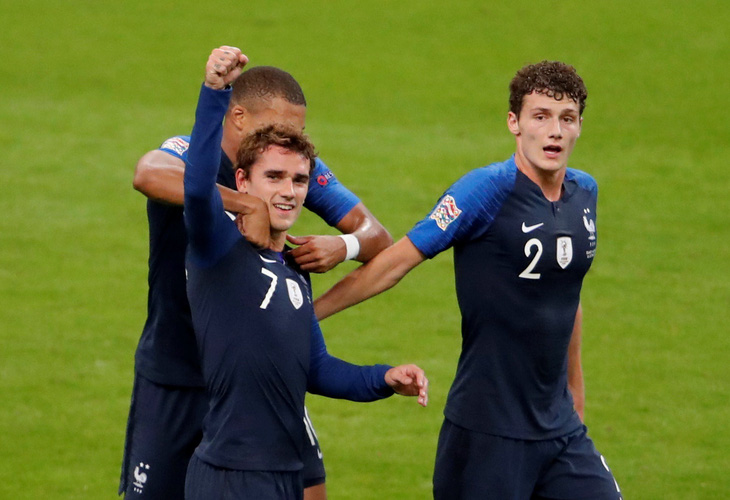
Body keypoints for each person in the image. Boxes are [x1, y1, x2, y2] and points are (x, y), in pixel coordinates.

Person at [314, 61, 622, 499]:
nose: (554, 131)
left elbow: (566, 295)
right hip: (486, 435)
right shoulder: (485, 190)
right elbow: (396, 261)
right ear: (514, 123)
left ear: (578, 127)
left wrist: (575, 394)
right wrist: (307, 315)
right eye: (541, 117)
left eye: (566, 119)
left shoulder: (584, 193)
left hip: (560, 432)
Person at [120, 60, 392, 500]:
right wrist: (247, 205)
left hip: (256, 380)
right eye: (280, 127)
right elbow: (148, 175)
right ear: (239, 116)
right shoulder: (193, 152)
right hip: (177, 370)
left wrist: (345, 248)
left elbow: (377, 236)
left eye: (297, 132)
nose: (290, 142)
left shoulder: (285, 167)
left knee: (311, 490)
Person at [182, 46, 427, 499]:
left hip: (283, 475)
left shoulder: (296, 269)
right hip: (227, 477)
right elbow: (195, 191)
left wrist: (385, 378)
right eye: (273, 177)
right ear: (242, 182)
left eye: (298, 180)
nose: (289, 192)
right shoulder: (217, 249)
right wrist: (213, 92)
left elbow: (316, 369)